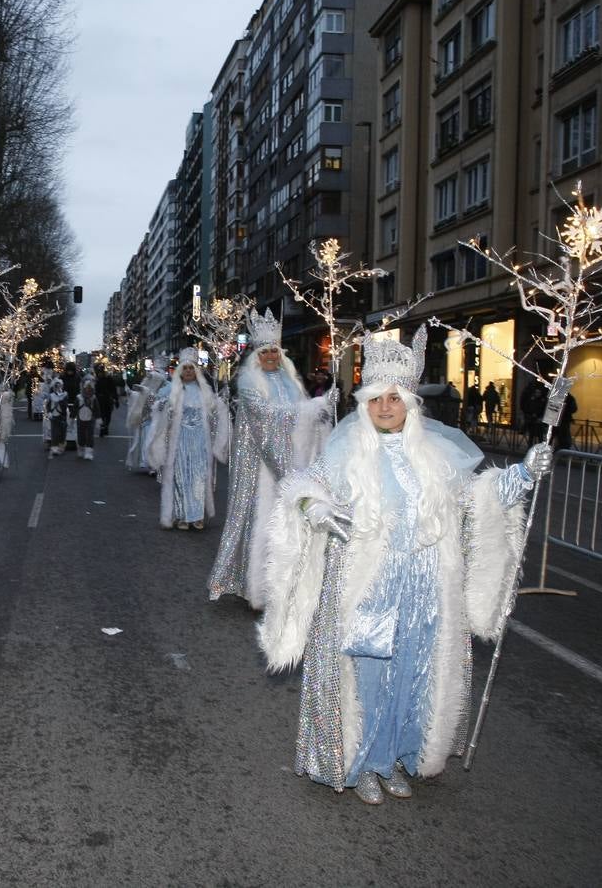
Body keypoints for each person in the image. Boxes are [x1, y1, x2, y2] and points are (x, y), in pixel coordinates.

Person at [258, 326, 553, 805]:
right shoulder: (347, 447)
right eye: (376, 399)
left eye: (395, 398)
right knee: (370, 677)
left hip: (425, 588)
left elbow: (474, 499)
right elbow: (305, 485)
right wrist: (314, 507)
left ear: (410, 403)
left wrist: (522, 472)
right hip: (370, 585)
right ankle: (364, 763)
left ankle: (397, 756)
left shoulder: (437, 450)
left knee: (415, 673)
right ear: (365, 403)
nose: (385, 407)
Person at [208, 310, 332, 608]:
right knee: (264, 522)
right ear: (257, 355)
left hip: (294, 460)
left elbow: (303, 417)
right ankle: (259, 588)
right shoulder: (250, 383)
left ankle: (288, 585)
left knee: (291, 524)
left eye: (275, 350)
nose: (271, 356)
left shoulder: (292, 383)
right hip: (262, 467)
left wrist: (323, 410)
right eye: (265, 352)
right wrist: (310, 409)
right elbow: (263, 416)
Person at [146, 347, 230, 530]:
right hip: (180, 441)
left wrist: (223, 401)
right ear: (180, 372)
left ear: (196, 371)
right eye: (185, 368)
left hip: (200, 441)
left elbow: (216, 412)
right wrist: (159, 407)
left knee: (199, 477)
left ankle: (197, 516)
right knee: (180, 476)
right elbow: (161, 412)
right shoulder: (174, 392)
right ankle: (182, 515)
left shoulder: (205, 393)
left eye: (192, 368)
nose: (189, 371)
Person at [125, 357, 168, 473]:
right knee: (145, 442)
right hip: (146, 420)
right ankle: (148, 463)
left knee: (154, 442)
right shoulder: (148, 388)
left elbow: (164, 400)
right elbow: (140, 395)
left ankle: (154, 464)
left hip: (157, 420)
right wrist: (132, 393)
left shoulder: (164, 388)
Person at [44, 378, 69, 459]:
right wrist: (49, 412)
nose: (58, 388)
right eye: (56, 387)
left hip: (62, 416)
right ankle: (54, 447)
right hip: (54, 416)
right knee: (54, 433)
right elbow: (48, 405)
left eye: (59, 386)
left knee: (62, 432)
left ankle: (61, 446)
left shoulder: (65, 395)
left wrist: (61, 399)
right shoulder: (51, 396)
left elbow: (65, 406)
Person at [75, 380, 100, 460]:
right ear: (84, 388)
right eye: (86, 388)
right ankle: (81, 449)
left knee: (90, 435)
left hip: (90, 418)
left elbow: (96, 408)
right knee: (80, 434)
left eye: (90, 388)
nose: (88, 390)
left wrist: (98, 418)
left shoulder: (93, 398)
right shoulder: (79, 397)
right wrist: (72, 417)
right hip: (80, 417)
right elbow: (75, 408)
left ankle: (89, 452)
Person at [94, 364, 119, 437]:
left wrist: (116, 399)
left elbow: (113, 389)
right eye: (99, 372)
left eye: (101, 372)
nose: (100, 374)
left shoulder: (109, 379)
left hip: (108, 399)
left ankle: (106, 427)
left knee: (108, 415)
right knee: (101, 415)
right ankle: (102, 428)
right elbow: (94, 390)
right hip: (99, 400)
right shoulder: (96, 380)